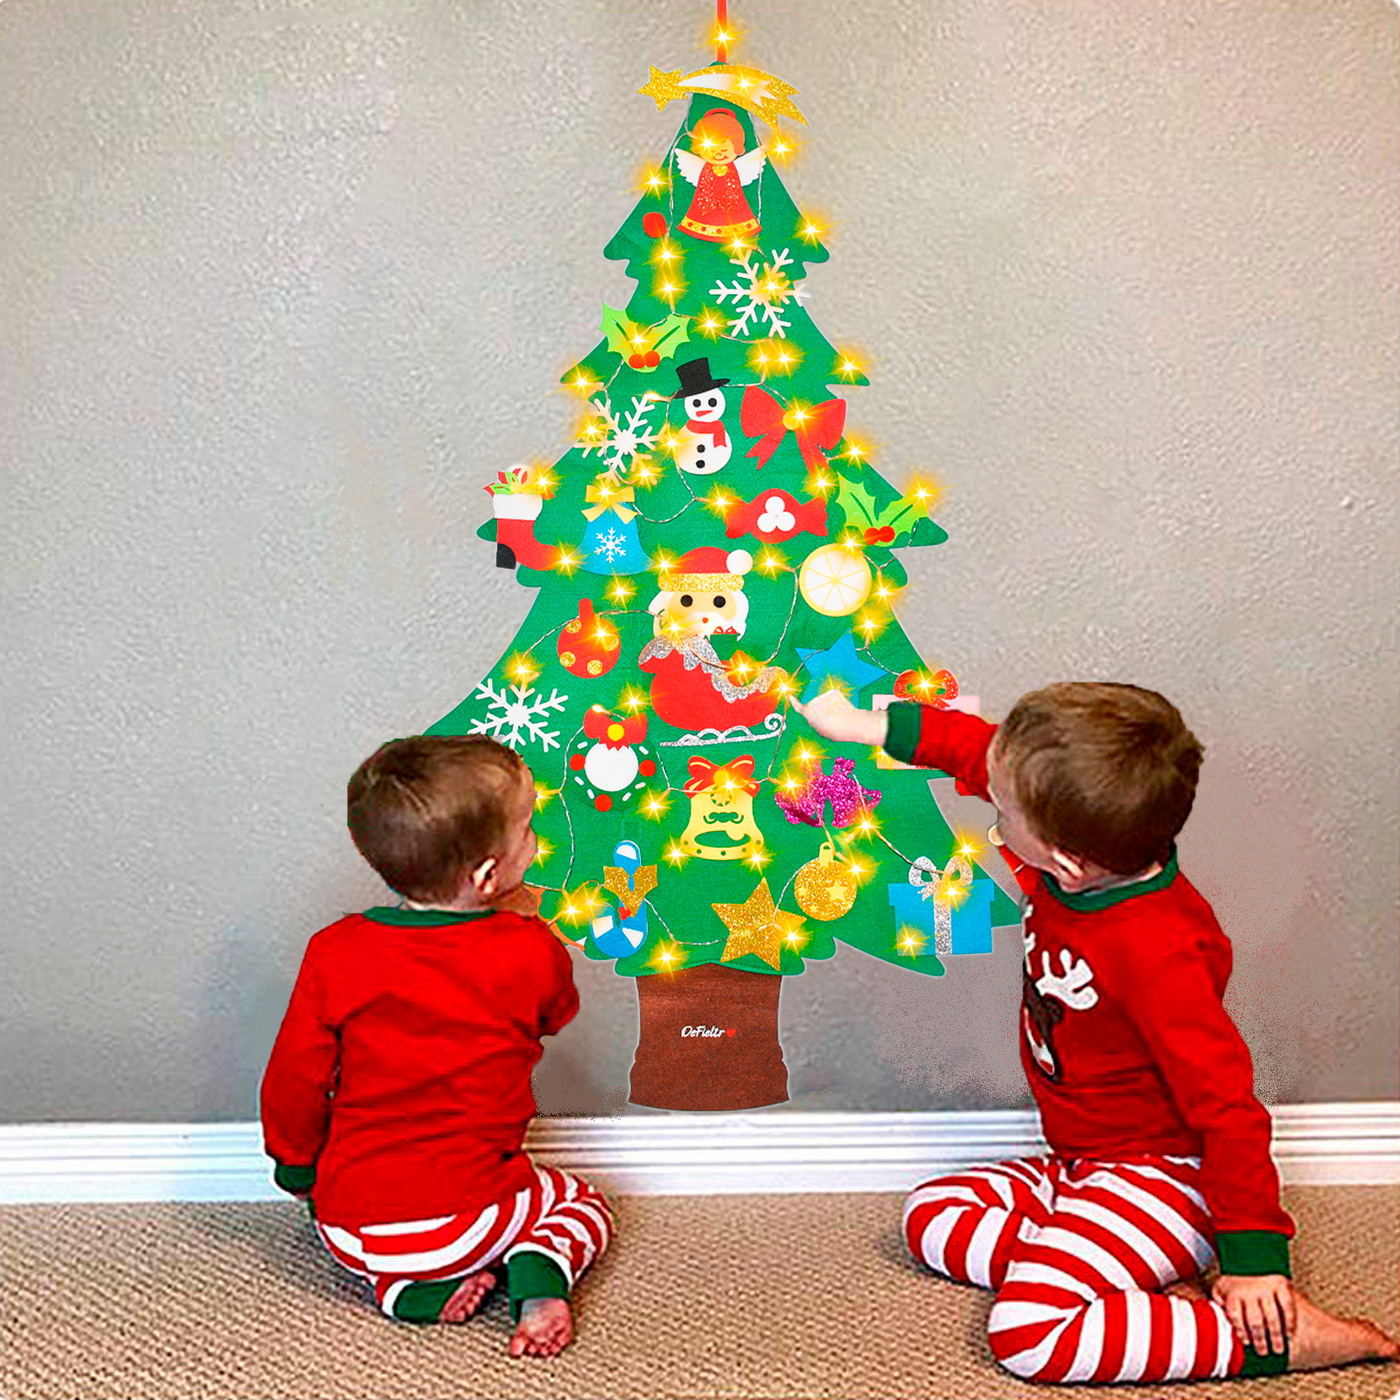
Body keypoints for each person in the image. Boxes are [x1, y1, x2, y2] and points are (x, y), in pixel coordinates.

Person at [795, 682, 1398, 1385]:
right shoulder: (1080, 856)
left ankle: (1269, 1339)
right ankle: (1133, 1276)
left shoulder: (1159, 951)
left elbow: (1229, 1108)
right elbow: (977, 750)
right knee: (931, 1217)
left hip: (1167, 1178)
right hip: (1082, 1162)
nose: (991, 803)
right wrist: (861, 725)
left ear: (1067, 859)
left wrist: (1255, 1261)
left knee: (1025, 1334)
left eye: (1003, 807)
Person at [260, 735, 612, 1358]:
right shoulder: (527, 951)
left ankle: (400, 1290)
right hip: (464, 1218)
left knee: (376, 1238)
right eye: (528, 831)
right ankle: (538, 1278)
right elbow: (556, 1015)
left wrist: (296, 1166)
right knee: (580, 1203)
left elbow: (293, 1076)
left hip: (344, 1220)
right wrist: (530, 926)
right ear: (486, 874)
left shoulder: (334, 951)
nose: (535, 842)